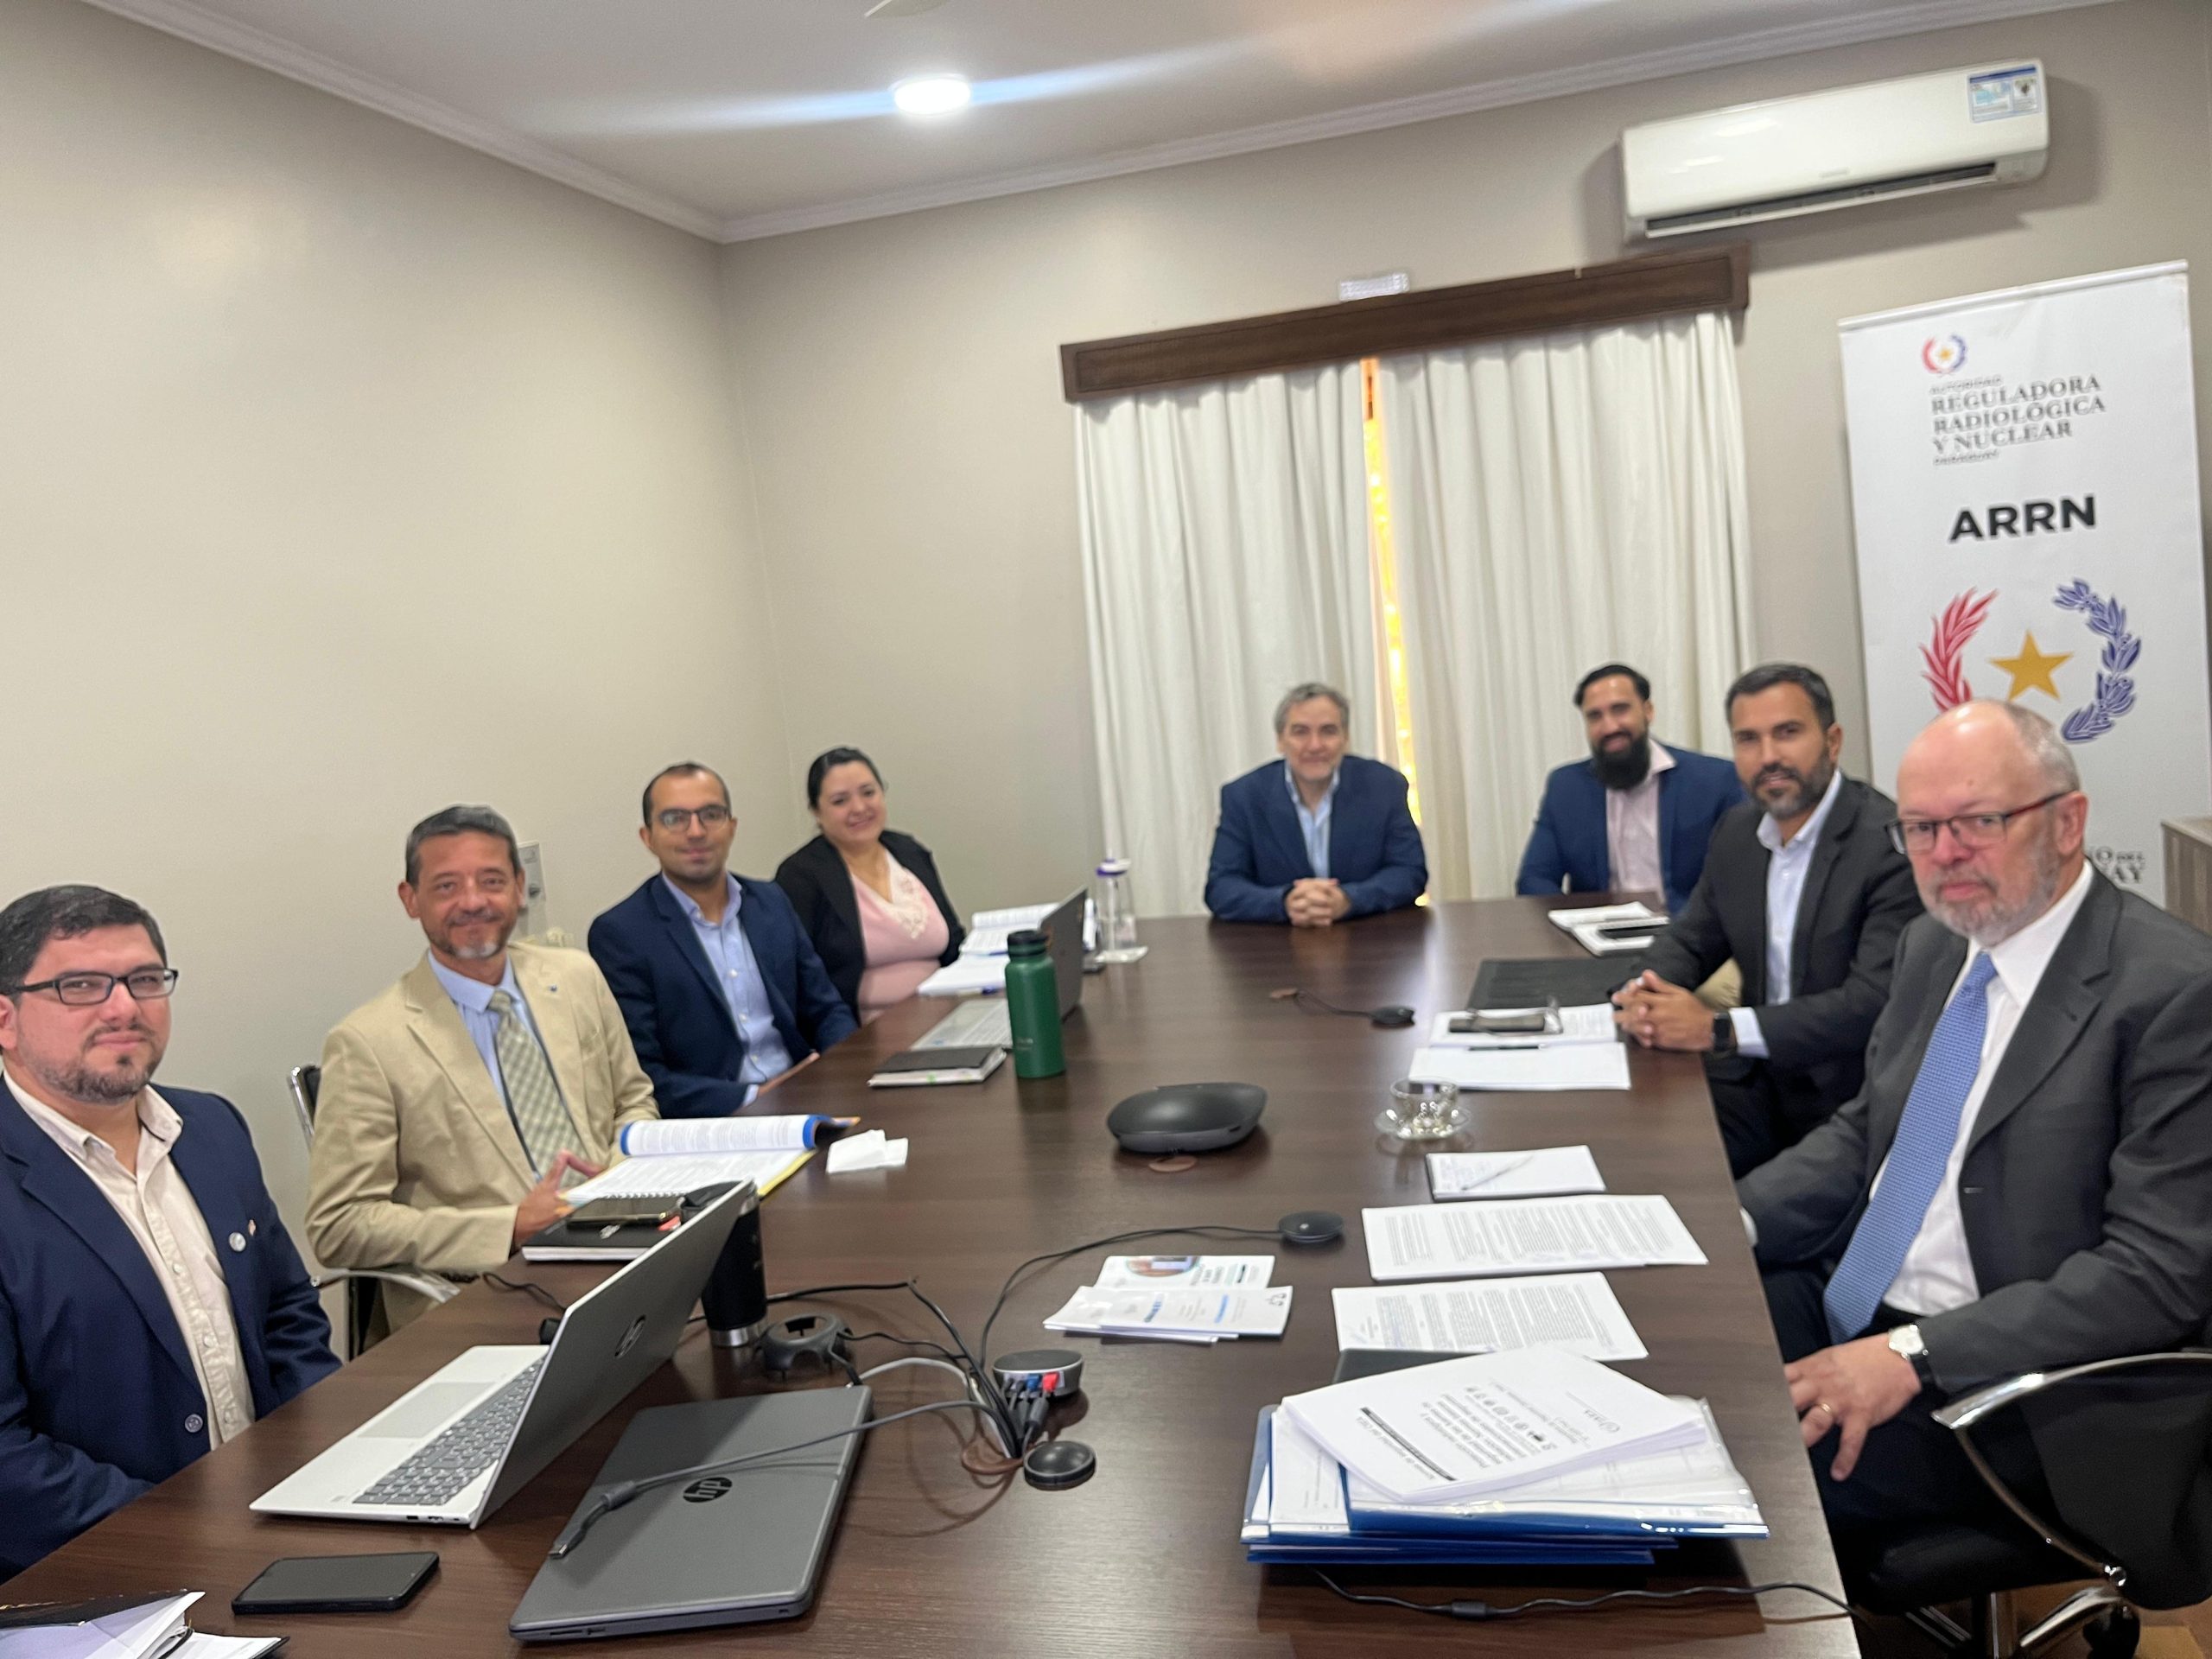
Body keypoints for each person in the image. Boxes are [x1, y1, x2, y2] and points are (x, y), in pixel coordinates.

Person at [1739, 700, 2212, 1549]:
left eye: (1979, 822)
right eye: (1921, 829)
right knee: (1684, 1363)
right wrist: (1734, 1219)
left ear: (2067, 822)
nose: (1945, 853)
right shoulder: (1934, 945)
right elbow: (1867, 1133)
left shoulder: (2174, 993)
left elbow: (2154, 1275)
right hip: (1860, 1301)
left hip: (2021, 1388)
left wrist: (1913, 1354)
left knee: (1746, 1488)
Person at [0, 885, 336, 1577]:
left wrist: (325, 1466)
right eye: (80, 986)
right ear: (5, 1020)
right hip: (103, 1575)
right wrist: (197, 1536)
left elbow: (288, 1314)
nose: (125, 1007)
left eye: (145, 980)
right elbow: (9, 1464)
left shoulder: (211, 1126)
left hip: (280, 1523)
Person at [309, 806, 658, 1328]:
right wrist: (509, 1226)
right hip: (484, 1295)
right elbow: (339, 1225)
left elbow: (633, 1100)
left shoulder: (577, 976)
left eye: (492, 881)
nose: (473, 902)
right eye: (446, 886)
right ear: (411, 899)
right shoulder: (367, 1042)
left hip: (622, 1248)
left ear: (518, 887)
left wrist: (618, 1178)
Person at [1615, 664, 1921, 1176]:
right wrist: (1643, 994)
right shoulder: (1738, 833)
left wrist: (1719, 1029)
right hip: (1759, 1082)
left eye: (1787, 733)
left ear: (1833, 741)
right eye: (1748, 739)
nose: (1768, 757)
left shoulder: (1887, 845)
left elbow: (1869, 1004)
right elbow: (1693, 938)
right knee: (1640, 1150)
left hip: (1848, 1101)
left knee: (1710, 1193)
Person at [589, 763, 857, 1116]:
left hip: (806, 1097)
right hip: (715, 1119)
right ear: (647, 837)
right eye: (674, 819)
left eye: (711, 815)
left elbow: (827, 1010)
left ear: (731, 827)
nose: (696, 831)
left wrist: (843, 1068)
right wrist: (755, 1096)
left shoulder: (770, 902)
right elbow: (644, 1074)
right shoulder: (622, 934)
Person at [1516, 662, 1745, 912]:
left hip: (1686, 929)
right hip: (1596, 930)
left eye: (1620, 710)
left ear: (1648, 711)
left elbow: (1740, 877)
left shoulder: (1715, 780)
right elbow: (1534, 879)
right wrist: (1571, 922)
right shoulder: (1566, 788)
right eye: (1595, 716)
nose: (1610, 727)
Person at [1204, 682, 1427, 925]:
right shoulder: (1244, 796)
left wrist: (1349, 900)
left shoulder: (1384, 786)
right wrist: (1285, 902)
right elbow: (1221, 887)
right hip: (1276, 942)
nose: (1315, 745)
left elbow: (1410, 872)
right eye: (1300, 732)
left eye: (1328, 731)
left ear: (1345, 738)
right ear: (1280, 740)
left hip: (1369, 937)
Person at [774, 748, 966, 1022]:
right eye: (840, 801)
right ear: (817, 811)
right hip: (864, 1033)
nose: (859, 808)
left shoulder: (910, 852)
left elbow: (954, 941)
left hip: (947, 1017)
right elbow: (800, 979)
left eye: (868, 793)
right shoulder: (801, 876)